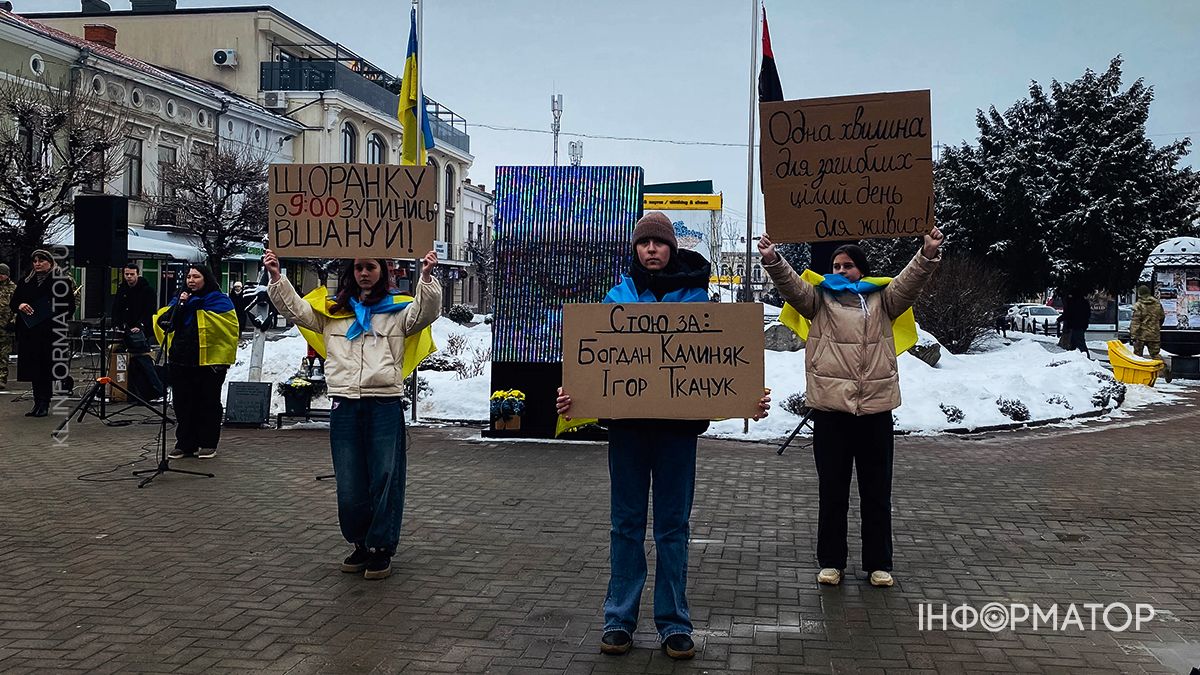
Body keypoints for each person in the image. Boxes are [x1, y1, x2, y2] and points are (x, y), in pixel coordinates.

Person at [555, 212, 770, 660]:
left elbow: (724, 364)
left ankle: (674, 623)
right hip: (628, 433)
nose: (651, 250)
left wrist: (749, 395)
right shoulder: (614, 300)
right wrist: (572, 397)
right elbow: (591, 364)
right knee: (625, 526)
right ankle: (619, 619)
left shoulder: (698, 301)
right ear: (635, 249)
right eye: (643, 243)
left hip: (677, 434)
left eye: (658, 243)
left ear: (671, 248)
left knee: (673, 528)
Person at [758, 226, 943, 588]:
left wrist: (927, 254)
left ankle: (878, 564)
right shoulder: (819, 300)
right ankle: (831, 562)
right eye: (836, 266)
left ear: (862, 268)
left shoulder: (883, 300)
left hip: (875, 413)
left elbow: (910, 282)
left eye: (847, 266)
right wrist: (772, 260)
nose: (840, 271)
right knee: (832, 492)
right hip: (831, 414)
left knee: (877, 493)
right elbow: (792, 287)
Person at [265, 248, 442, 581]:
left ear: (382, 271)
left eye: (370, 267)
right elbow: (299, 311)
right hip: (345, 404)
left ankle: (380, 548)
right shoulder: (334, 312)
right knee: (349, 481)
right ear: (351, 271)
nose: (364, 273)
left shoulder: (397, 311)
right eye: (359, 267)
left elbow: (426, 312)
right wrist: (277, 277)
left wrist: (427, 277)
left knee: (385, 477)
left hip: (383, 404)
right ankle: (359, 543)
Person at [153, 265, 239, 459]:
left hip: (209, 362)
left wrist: (198, 309)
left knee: (207, 402)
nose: (191, 280)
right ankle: (185, 443)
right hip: (181, 360)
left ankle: (208, 442)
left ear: (205, 279)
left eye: (196, 276)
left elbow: (228, 329)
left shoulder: (219, 301)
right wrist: (182, 306)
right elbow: (165, 322)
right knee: (183, 403)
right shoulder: (180, 299)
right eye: (189, 277)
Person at [10, 249, 77, 417]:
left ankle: (44, 403)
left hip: (49, 332)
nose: (38, 264)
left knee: (45, 368)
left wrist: (52, 315)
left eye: (41, 261)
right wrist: (21, 306)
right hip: (29, 331)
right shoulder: (26, 281)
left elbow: (69, 306)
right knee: (33, 368)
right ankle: (36, 402)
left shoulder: (60, 281)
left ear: (50, 262)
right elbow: (14, 302)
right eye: (35, 261)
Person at [1130, 285, 1170, 382]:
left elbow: (1136, 322)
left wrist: (1133, 335)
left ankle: (1139, 375)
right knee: (1155, 354)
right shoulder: (1157, 304)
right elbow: (1162, 317)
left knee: (1137, 356)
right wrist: (1156, 327)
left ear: (1140, 293)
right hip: (1154, 334)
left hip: (1141, 335)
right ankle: (1164, 368)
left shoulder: (1138, 305)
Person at [112, 263, 157, 345]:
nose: (129, 276)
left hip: (141, 329)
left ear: (137, 274)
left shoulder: (148, 291)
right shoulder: (122, 289)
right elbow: (116, 307)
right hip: (124, 328)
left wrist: (140, 325)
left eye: (132, 274)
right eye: (127, 274)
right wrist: (116, 324)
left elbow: (149, 310)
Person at [1058, 290, 1091, 357]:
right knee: (1073, 342)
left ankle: (1087, 358)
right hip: (1081, 325)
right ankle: (1071, 356)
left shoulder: (1073, 303)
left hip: (1076, 325)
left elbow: (1068, 313)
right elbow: (1088, 314)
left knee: (1080, 342)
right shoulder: (1084, 302)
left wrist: (1059, 319)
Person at [0, 263, 15, 390]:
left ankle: (1, 379)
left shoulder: (14, 288)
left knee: (3, 355)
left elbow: (19, 307)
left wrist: (13, 322)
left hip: (6, 327)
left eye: (2, 274)